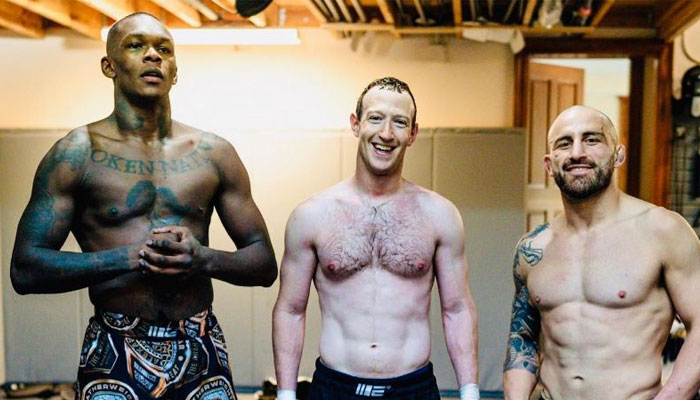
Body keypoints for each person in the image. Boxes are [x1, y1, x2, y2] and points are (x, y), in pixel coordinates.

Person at [10, 12, 277, 400]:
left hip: (199, 342)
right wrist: (130, 257)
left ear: (175, 70)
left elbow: (264, 263)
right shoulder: (75, 155)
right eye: (136, 46)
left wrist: (200, 258)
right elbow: (25, 269)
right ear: (109, 65)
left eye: (163, 49)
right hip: (115, 343)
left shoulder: (213, 153)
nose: (153, 56)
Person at [272, 77, 480, 400]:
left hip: (413, 388)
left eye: (399, 122)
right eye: (376, 118)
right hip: (335, 388)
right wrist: (286, 395)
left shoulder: (440, 215)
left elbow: (457, 309)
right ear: (356, 125)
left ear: (412, 134)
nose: (386, 133)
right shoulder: (311, 216)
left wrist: (470, 393)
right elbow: (290, 309)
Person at [503, 105, 700, 400]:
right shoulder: (533, 247)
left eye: (592, 139)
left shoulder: (663, 231)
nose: (577, 153)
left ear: (618, 155)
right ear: (548, 164)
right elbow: (524, 336)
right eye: (564, 143)